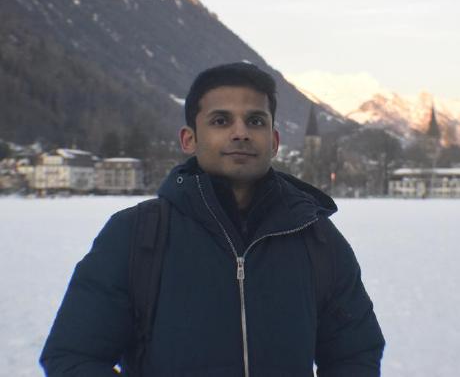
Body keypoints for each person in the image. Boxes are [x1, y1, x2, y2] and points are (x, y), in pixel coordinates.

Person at [40, 62, 385, 376]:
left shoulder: (315, 236)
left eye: (256, 121)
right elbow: (73, 357)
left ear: (274, 141)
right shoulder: (136, 235)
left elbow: (355, 355)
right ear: (189, 139)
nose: (241, 133)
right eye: (221, 121)